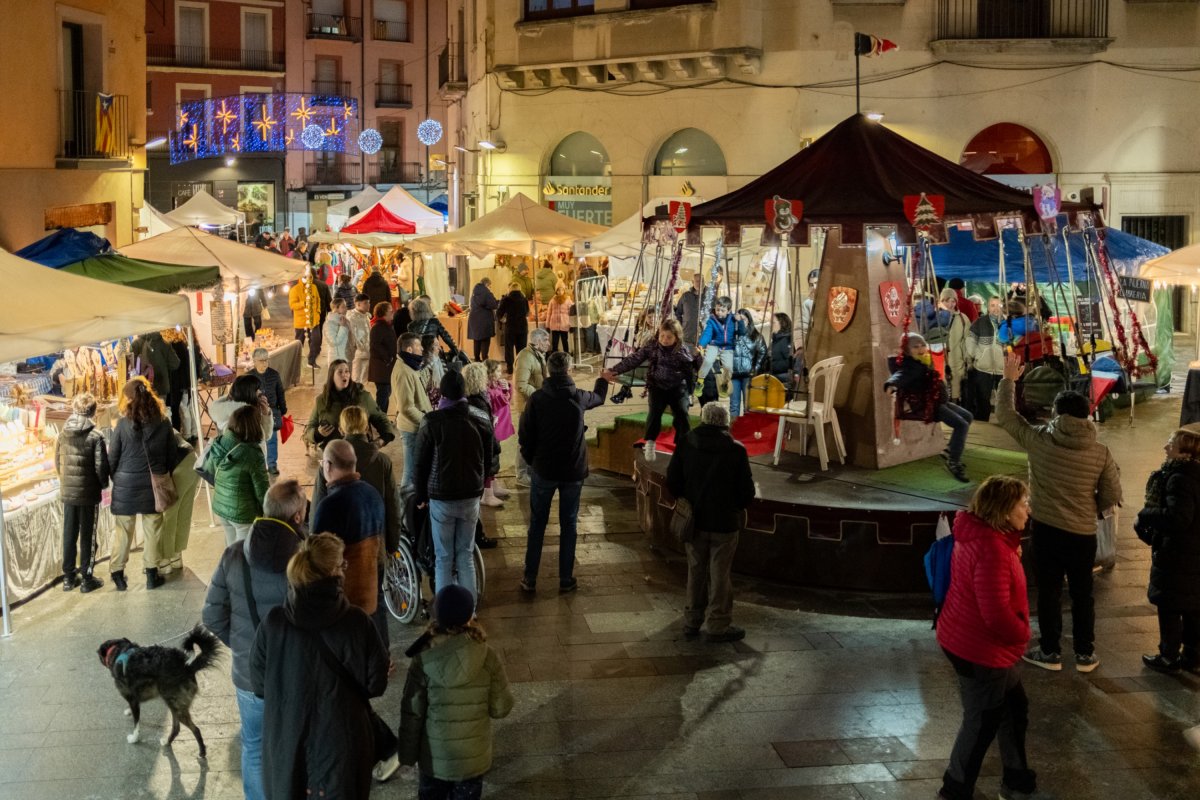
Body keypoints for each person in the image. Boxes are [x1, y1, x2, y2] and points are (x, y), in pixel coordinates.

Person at [996, 352, 1122, 673]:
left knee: (1049, 592)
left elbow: (1007, 416)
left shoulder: (1040, 440)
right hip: (1083, 534)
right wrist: (1087, 508)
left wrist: (1009, 379)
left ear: (1056, 413)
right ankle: (1085, 654)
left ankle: (1050, 651)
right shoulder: (1101, 452)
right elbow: (1111, 496)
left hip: (1048, 530)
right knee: (1083, 594)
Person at [250, 532, 389, 800]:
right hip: (342, 741)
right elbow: (376, 683)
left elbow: (258, 684)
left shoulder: (274, 623)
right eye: (342, 565)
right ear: (334, 572)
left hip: (287, 741)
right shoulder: (356, 623)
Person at [934, 475, 1042, 800]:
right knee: (981, 723)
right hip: (980, 649)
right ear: (1004, 510)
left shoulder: (976, 534)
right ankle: (954, 789)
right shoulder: (992, 549)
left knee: (1013, 706)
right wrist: (1023, 632)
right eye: (1023, 504)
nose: (1028, 510)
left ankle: (1017, 778)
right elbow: (994, 614)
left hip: (963, 637)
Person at [202, 479, 305, 800]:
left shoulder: (234, 555)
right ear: (298, 517)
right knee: (295, 745)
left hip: (250, 676)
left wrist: (245, 646)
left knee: (255, 747)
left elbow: (211, 615)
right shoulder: (303, 563)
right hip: (295, 675)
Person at [398, 585, 514, 799]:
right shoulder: (487, 656)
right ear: (470, 617)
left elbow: (412, 713)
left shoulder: (423, 659)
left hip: (434, 759)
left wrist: (406, 756)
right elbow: (501, 708)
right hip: (472, 760)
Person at [665, 402, 756, 643]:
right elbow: (747, 492)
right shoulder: (736, 450)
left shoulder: (686, 443)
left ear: (703, 419)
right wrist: (734, 506)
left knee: (695, 570)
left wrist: (688, 501)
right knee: (720, 574)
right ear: (725, 422)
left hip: (695, 522)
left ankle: (692, 620)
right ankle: (718, 623)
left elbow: (672, 481)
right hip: (724, 523)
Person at [519, 351, 607, 593]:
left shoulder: (537, 399)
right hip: (572, 471)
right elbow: (599, 397)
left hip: (544, 470)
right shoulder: (578, 397)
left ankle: (530, 577)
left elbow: (525, 435)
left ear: (548, 370)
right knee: (569, 524)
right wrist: (603, 379)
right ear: (569, 370)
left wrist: (532, 460)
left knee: (537, 523)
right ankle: (565, 578)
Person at [313, 407, 400, 646]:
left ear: (342, 429)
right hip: (376, 546)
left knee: (345, 603)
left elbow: (318, 509)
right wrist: (392, 544)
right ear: (366, 427)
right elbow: (393, 505)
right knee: (377, 599)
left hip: (342, 552)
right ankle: (382, 652)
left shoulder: (330, 461)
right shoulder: (382, 461)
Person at [414, 371, 490, 601]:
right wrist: (481, 482)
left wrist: (420, 496)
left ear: (442, 393)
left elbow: (421, 464)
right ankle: (469, 611)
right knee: (465, 555)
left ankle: (447, 614)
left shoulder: (431, 422)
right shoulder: (480, 417)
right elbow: (488, 456)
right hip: (471, 497)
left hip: (441, 498)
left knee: (443, 557)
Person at [1135, 428, 1200, 674]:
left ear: (1184, 450)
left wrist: (1146, 514)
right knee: (1194, 607)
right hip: (1194, 553)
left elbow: (1178, 518)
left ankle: (1168, 656)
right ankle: (1193, 657)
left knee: (1170, 605)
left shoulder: (1179, 477)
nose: (1165, 447)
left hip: (1178, 554)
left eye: (1170, 443)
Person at [108, 377, 177, 591]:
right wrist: (162, 472)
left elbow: (113, 457)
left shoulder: (121, 424)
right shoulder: (163, 422)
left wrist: (115, 478)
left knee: (123, 530)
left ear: (128, 399)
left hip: (125, 483)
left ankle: (117, 573)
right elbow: (171, 455)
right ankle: (151, 573)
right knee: (153, 528)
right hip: (152, 483)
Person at [603, 319, 702, 462]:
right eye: (662, 336)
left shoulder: (683, 350)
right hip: (657, 386)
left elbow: (696, 368)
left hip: (677, 387)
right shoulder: (653, 346)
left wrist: (699, 356)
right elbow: (634, 359)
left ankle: (683, 445)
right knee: (655, 413)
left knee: (682, 414)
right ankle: (650, 442)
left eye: (669, 337)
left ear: (677, 337)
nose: (664, 340)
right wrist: (614, 370)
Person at [311, 439, 387, 617]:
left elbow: (318, 561)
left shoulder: (329, 506)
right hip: (372, 597)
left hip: (345, 607)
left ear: (328, 465)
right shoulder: (373, 494)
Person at [885, 333, 974, 483]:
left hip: (938, 401)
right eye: (915, 346)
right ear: (907, 350)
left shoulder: (922, 361)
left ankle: (949, 450)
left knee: (967, 416)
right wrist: (891, 385)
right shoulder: (910, 366)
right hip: (928, 405)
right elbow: (900, 375)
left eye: (922, 345)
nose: (920, 349)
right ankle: (954, 461)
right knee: (961, 424)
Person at [55, 392, 109, 593]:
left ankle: (68, 577)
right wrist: (104, 485)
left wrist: (65, 481)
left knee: (69, 532)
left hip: (68, 491)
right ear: (93, 412)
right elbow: (100, 466)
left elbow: (57, 461)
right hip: (88, 492)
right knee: (88, 534)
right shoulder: (96, 436)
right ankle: (87, 577)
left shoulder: (62, 433)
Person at [209, 405, 270, 546]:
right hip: (243, 513)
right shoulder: (253, 454)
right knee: (243, 555)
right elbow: (262, 490)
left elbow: (212, 470)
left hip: (221, 504)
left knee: (231, 550)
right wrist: (269, 513)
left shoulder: (220, 442)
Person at [306, 359, 397, 447]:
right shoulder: (321, 401)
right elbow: (309, 428)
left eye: (347, 371)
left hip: (359, 453)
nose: (344, 375)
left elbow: (381, 418)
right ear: (331, 376)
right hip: (332, 454)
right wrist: (318, 434)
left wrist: (383, 439)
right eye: (340, 372)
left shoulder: (363, 397)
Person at [390, 332, 434, 490]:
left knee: (415, 469)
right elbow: (406, 407)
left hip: (416, 426)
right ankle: (405, 506)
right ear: (409, 349)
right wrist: (426, 420)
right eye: (418, 346)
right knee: (410, 472)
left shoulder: (410, 365)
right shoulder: (403, 371)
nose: (421, 348)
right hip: (412, 428)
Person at [463, 362, 506, 510]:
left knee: (492, 461)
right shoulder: (475, 399)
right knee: (487, 461)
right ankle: (487, 495)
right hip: (481, 438)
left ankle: (493, 488)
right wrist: (490, 422)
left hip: (485, 433)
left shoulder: (478, 395)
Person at [158, 431, 199, 576]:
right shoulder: (162, 422)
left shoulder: (148, 426)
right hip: (192, 461)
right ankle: (176, 556)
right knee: (183, 513)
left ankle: (164, 561)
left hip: (179, 466)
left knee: (169, 515)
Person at [513, 328, 550, 483]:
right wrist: (538, 397)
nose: (548, 344)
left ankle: (530, 470)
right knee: (525, 439)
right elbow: (521, 384)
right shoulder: (525, 357)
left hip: (535, 405)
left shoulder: (537, 355)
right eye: (546, 340)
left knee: (534, 438)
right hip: (527, 406)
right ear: (537, 341)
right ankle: (521, 474)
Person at [965, 297, 1006, 422]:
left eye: (998, 305)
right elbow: (970, 341)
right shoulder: (980, 322)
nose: (995, 308)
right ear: (988, 307)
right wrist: (978, 355)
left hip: (1002, 369)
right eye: (992, 305)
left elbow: (1015, 342)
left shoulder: (1008, 323)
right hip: (983, 368)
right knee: (982, 400)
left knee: (1004, 400)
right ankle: (982, 426)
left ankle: (1004, 425)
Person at [209, 373, 274, 444]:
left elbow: (265, 436)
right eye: (257, 389)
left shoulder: (247, 412)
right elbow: (261, 439)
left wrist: (266, 414)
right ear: (248, 394)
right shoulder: (242, 419)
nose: (260, 392)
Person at [696, 296, 743, 393]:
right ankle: (700, 380)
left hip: (728, 347)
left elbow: (742, 332)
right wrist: (702, 343)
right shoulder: (712, 320)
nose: (719, 313)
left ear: (728, 311)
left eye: (722, 310)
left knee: (729, 367)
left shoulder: (733, 320)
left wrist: (740, 321)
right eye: (718, 310)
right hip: (715, 344)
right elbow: (707, 333)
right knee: (708, 360)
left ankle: (725, 383)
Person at [251, 348, 287, 475]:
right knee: (257, 440)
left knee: (272, 439)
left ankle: (272, 464)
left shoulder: (274, 375)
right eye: (261, 360)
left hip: (272, 411)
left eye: (266, 360)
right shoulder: (249, 377)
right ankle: (259, 465)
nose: (265, 363)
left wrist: (283, 409)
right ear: (254, 361)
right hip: (255, 413)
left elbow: (280, 393)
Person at [730, 308, 766, 419]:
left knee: (748, 406)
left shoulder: (756, 336)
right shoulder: (732, 335)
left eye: (743, 319)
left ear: (748, 320)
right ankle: (733, 429)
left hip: (748, 374)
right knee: (734, 406)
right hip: (734, 374)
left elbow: (762, 351)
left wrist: (755, 368)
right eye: (738, 319)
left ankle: (747, 430)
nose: (741, 322)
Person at [937, 288, 972, 404]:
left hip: (957, 359)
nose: (950, 304)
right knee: (940, 388)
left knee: (956, 390)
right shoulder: (934, 318)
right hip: (939, 358)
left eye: (953, 301)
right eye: (947, 301)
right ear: (941, 301)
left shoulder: (963, 319)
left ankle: (954, 406)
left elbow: (967, 340)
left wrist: (968, 358)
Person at [367, 302, 398, 414]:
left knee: (386, 393)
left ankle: (382, 417)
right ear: (384, 313)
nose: (392, 312)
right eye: (390, 310)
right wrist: (387, 358)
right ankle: (380, 419)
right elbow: (374, 345)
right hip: (381, 367)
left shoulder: (385, 325)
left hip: (385, 367)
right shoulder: (378, 327)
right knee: (383, 394)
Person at [289, 268, 322, 369]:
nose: (307, 278)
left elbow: (318, 300)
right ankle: (295, 364)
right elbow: (292, 305)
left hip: (314, 321)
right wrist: (304, 303)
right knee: (299, 344)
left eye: (309, 276)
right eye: (305, 276)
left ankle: (311, 361)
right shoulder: (294, 289)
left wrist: (318, 312)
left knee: (316, 341)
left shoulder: (314, 287)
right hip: (301, 322)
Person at [410, 296, 461, 361]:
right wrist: (455, 350)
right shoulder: (434, 321)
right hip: (434, 353)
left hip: (419, 355)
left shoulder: (411, 325)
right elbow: (446, 337)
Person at [496, 281, 530, 374]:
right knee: (522, 349)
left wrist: (503, 320)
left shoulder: (506, 299)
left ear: (510, 289)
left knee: (509, 348)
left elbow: (499, 313)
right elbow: (527, 312)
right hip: (523, 327)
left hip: (510, 327)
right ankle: (521, 368)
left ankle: (510, 368)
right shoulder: (524, 299)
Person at [468, 277, 500, 362]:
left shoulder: (474, 292)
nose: (490, 288)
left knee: (477, 340)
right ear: (487, 285)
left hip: (474, 318)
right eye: (490, 286)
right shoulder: (487, 293)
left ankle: (477, 359)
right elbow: (493, 305)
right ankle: (485, 359)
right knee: (485, 340)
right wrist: (497, 302)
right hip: (484, 319)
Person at [346, 294, 373, 386]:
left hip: (367, 353)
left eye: (369, 303)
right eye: (365, 303)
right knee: (356, 379)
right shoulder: (352, 318)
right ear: (358, 304)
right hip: (358, 355)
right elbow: (354, 338)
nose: (368, 305)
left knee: (364, 380)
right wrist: (363, 348)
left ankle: (360, 398)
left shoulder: (365, 316)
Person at [674, 274, 703, 348]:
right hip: (687, 335)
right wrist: (680, 326)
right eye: (697, 281)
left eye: (702, 281)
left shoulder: (709, 297)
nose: (700, 283)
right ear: (693, 282)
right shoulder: (686, 296)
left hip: (703, 336)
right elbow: (678, 313)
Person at [766, 313, 794, 387]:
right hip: (774, 378)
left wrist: (771, 365)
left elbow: (789, 362)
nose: (771, 325)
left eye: (773, 322)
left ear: (782, 323)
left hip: (781, 382)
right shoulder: (776, 340)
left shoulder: (786, 340)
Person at [323, 297, 351, 367]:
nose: (346, 308)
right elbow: (333, 342)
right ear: (336, 308)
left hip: (346, 357)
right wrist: (342, 327)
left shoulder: (344, 320)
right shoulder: (329, 323)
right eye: (343, 307)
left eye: (345, 306)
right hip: (336, 359)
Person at [547, 287, 572, 353]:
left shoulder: (568, 300)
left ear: (564, 291)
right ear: (556, 291)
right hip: (554, 325)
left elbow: (572, 313)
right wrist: (547, 325)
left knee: (565, 342)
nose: (560, 291)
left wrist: (572, 324)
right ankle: (554, 357)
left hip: (564, 324)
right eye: (558, 290)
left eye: (562, 290)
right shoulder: (552, 300)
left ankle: (566, 356)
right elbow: (549, 313)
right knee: (554, 343)